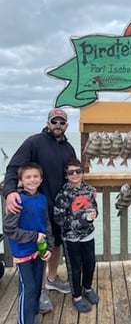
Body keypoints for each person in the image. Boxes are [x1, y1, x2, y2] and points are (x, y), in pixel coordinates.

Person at [2, 108, 77, 313]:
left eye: (62, 123)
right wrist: (9, 192)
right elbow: (12, 168)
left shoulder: (69, 148)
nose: (58, 126)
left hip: (61, 209)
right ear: (48, 123)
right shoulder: (34, 142)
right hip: (37, 207)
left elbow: (73, 175)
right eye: (55, 122)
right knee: (39, 246)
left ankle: (52, 279)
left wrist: (83, 195)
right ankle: (40, 289)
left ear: (66, 126)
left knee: (55, 245)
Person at [3, 162, 54, 324]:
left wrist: (50, 247)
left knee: (37, 285)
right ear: (21, 180)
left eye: (35, 177)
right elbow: (9, 229)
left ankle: (30, 316)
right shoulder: (17, 200)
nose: (32, 180)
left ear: (41, 179)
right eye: (28, 177)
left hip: (40, 250)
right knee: (28, 288)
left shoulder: (42, 198)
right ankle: (24, 321)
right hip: (22, 252)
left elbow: (46, 225)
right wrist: (33, 236)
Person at [54, 158, 99, 313]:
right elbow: (58, 218)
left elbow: (95, 210)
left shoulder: (90, 190)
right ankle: (77, 297)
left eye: (78, 171)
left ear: (83, 173)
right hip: (71, 237)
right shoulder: (63, 194)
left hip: (88, 235)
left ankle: (87, 288)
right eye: (70, 172)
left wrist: (94, 214)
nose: (74, 174)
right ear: (66, 175)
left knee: (90, 263)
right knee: (74, 268)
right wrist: (80, 221)